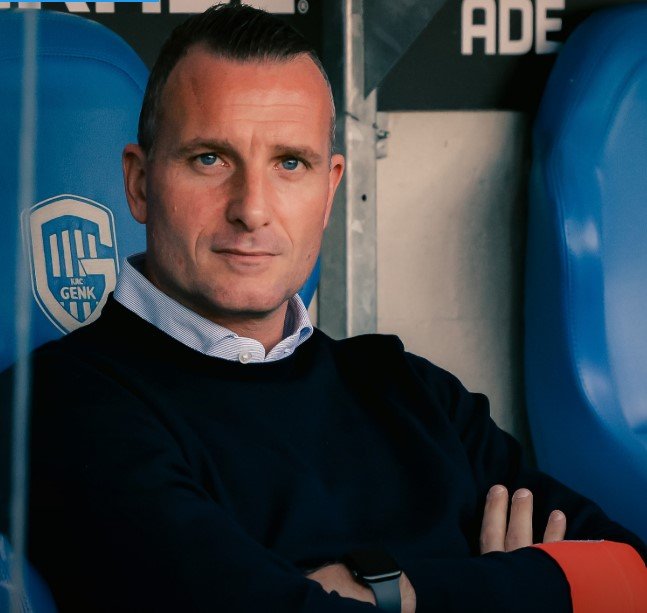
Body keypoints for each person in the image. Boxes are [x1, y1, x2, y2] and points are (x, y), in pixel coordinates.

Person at [1, 3, 646, 612]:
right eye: (209, 159)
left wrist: (386, 593)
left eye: (289, 163)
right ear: (140, 184)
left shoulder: (407, 387)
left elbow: (632, 574)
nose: (252, 208)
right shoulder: (55, 406)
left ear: (330, 189)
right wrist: (514, 585)